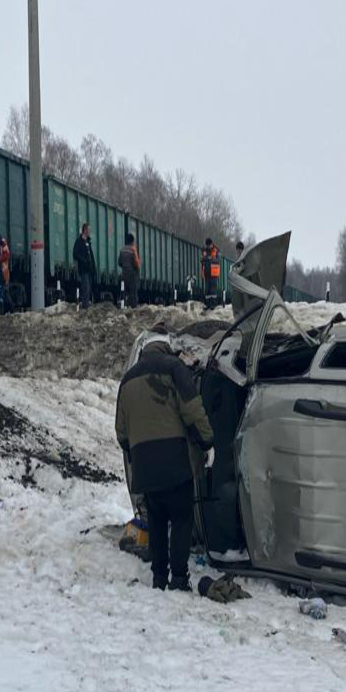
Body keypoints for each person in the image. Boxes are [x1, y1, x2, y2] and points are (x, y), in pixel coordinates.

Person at [115, 340, 215, 591]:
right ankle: (179, 579)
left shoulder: (127, 380)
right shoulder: (174, 368)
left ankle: (159, 577)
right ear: (166, 349)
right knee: (182, 518)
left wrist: (135, 452)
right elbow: (192, 410)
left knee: (157, 520)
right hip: (175, 459)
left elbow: (121, 431)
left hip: (144, 465)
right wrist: (207, 443)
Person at [73, 222, 96, 309]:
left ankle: (86, 304)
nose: (90, 231)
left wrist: (94, 267)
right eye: (89, 229)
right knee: (85, 287)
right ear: (85, 230)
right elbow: (75, 254)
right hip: (83, 268)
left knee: (89, 288)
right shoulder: (79, 241)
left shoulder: (88, 241)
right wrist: (83, 260)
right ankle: (85, 306)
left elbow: (91, 255)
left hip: (89, 268)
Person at [118, 232, 141, 307]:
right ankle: (134, 308)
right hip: (132, 275)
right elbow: (137, 264)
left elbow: (119, 262)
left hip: (124, 274)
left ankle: (123, 305)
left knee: (123, 292)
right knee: (133, 294)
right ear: (132, 241)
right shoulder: (133, 250)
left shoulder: (122, 250)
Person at [201, 238, 221, 306]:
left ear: (211, 244)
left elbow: (218, 260)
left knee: (213, 291)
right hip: (207, 273)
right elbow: (202, 259)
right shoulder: (204, 250)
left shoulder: (216, 250)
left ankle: (213, 304)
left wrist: (211, 259)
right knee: (207, 290)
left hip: (214, 273)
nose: (208, 247)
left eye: (209, 245)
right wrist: (206, 258)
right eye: (207, 245)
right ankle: (207, 305)